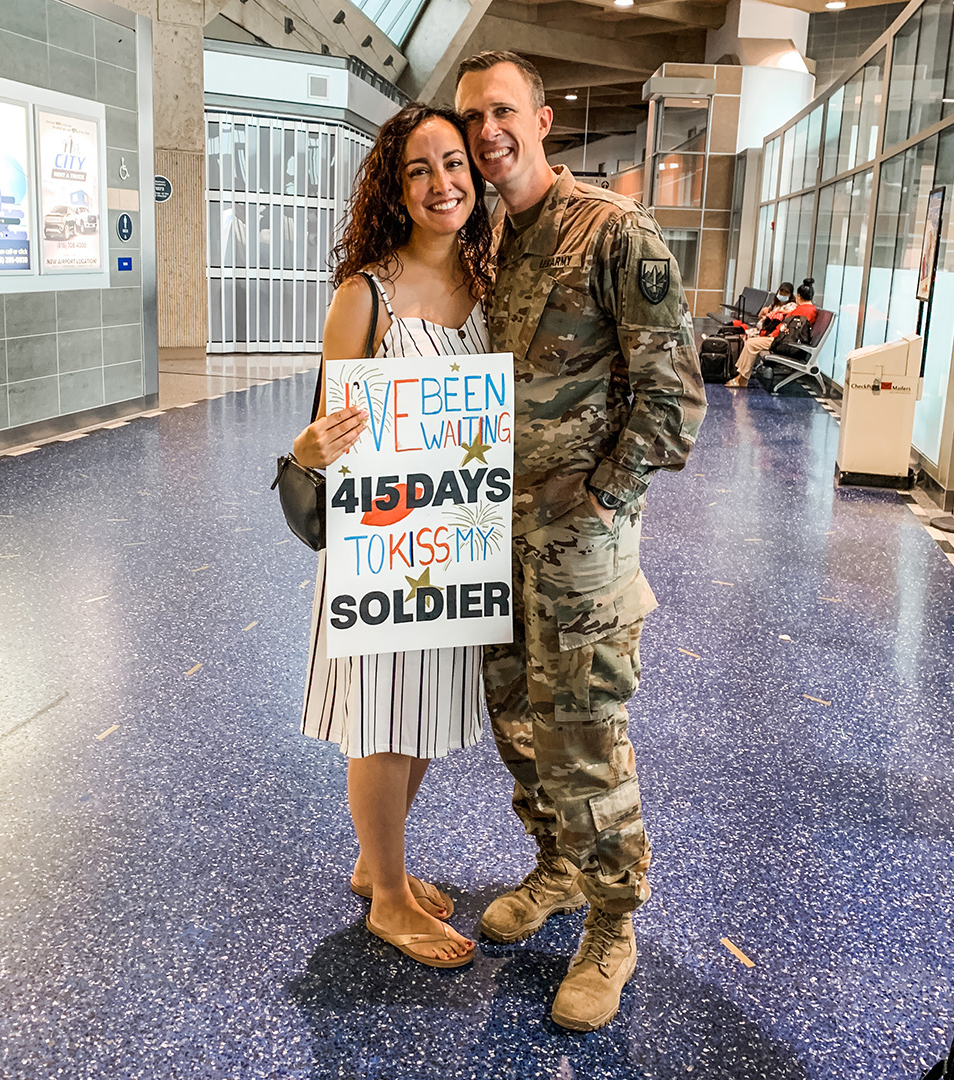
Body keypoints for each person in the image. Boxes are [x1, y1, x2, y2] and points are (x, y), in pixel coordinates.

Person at [455, 52, 707, 1029]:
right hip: (498, 537)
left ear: (545, 119)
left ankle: (613, 923)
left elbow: (675, 395)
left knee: (585, 736)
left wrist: (602, 499)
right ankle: (558, 867)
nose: (488, 134)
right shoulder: (494, 244)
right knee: (516, 719)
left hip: (581, 546)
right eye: (475, 117)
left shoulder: (616, 233)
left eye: (504, 112)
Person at [293, 103, 493, 969]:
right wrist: (305, 449)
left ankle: (378, 864)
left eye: (454, 164)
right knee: (382, 718)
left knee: (423, 714)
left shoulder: (490, 284)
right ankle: (389, 898)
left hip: (454, 538)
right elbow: (327, 434)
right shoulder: (363, 294)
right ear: (395, 187)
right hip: (383, 543)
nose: (441, 183)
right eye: (419, 169)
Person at [726, 278, 817, 388]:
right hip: (784, 340)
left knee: (751, 344)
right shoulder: (808, 310)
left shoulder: (803, 310)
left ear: (798, 296)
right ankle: (740, 376)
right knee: (751, 342)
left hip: (785, 343)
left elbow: (788, 329)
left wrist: (773, 334)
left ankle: (742, 379)